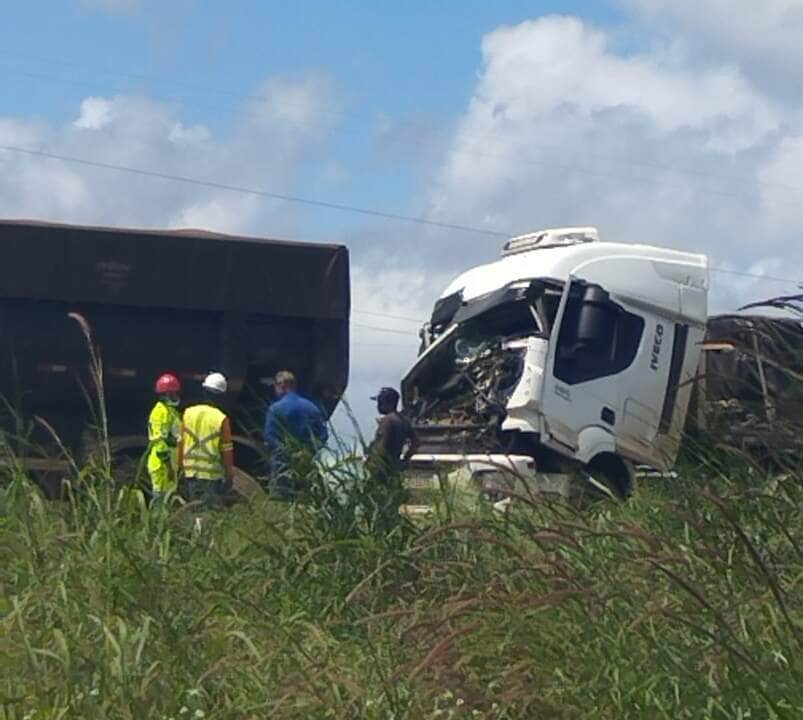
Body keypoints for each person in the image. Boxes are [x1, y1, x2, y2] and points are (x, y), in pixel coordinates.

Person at [264, 370, 328, 500]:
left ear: (282, 386)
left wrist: (286, 451)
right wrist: (308, 450)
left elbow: (269, 436)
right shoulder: (313, 408)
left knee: (280, 500)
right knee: (304, 499)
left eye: (275, 386)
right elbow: (323, 435)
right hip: (305, 462)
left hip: (282, 465)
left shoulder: (276, 408)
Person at [178, 372, 235, 506]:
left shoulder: (188, 413)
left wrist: (180, 468)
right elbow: (227, 450)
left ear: (204, 391)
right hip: (211, 475)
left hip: (190, 472)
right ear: (222, 396)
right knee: (209, 512)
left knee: (195, 512)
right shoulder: (221, 418)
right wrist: (229, 476)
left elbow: (181, 442)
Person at [366, 387, 419, 481]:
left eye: (380, 402)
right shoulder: (403, 421)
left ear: (388, 403)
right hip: (394, 469)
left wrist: (373, 465)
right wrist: (404, 461)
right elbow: (416, 442)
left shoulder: (387, 421)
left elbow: (381, 446)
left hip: (382, 472)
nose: (378, 405)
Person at [146, 373, 182, 502]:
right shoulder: (160, 412)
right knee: (160, 500)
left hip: (170, 463)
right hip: (162, 465)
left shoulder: (170, 410)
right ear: (166, 394)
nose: (177, 396)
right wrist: (169, 467)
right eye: (173, 393)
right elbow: (159, 442)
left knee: (168, 499)